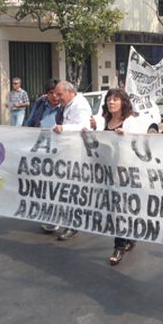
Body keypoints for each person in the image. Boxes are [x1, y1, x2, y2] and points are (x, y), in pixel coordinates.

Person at [103, 88, 144, 265]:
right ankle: (130, 237)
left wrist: (125, 137)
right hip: (107, 171)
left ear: (123, 102)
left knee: (121, 208)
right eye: (109, 99)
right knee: (117, 208)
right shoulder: (103, 121)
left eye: (115, 99)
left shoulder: (130, 122)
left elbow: (140, 143)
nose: (111, 102)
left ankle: (119, 246)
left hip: (125, 172)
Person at [53, 81, 92, 241]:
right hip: (67, 152)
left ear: (70, 92)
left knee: (73, 190)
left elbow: (84, 126)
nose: (57, 97)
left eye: (59, 94)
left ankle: (73, 225)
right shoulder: (68, 104)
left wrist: (64, 129)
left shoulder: (79, 105)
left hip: (77, 154)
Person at [25, 79, 64, 234]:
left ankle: (55, 217)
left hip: (58, 152)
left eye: (57, 93)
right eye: (51, 93)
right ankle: (47, 214)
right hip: (40, 151)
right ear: (46, 94)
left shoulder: (66, 107)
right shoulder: (41, 103)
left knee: (55, 185)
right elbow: (30, 122)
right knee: (42, 185)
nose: (54, 96)